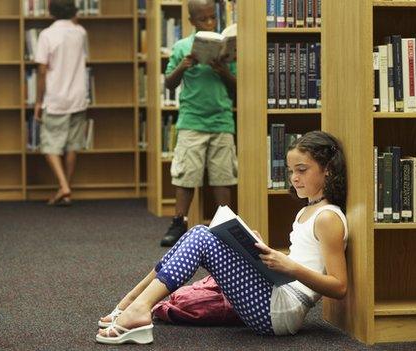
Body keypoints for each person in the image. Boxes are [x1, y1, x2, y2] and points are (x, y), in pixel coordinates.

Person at [96, 130, 349, 344]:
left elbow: (339, 286)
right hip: (278, 293)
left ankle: (138, 307)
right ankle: (132, 302)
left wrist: (288, 266)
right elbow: (305, 262)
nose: (294, 178)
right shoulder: (307, 210)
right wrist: (262, 251)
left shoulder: (328, 217)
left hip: (283, 311)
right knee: (198, 232)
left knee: (201, 238)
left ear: (327, 170)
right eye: (292, 170)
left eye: (302, 170)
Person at [160, 0, 238, 246]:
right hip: (192, 121)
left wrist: (223, 69)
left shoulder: (225, 49)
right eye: (203, 19)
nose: (210, 23)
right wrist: (183, 66)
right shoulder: (182, 47)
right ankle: (178, 222)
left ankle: (225, 225)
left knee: (223, 176)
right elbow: (169, 84)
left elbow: (236, 88)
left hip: (221, 120)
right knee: (187, 176)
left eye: (212, 18)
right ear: (192, 21)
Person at [34, 0, 88, 206]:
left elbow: (41, 71)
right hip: (78, 97)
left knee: (50, 146)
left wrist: (39, 101)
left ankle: (64, 187)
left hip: (56, 98)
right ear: (74, 10)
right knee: (72, 146)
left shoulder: (46, 35)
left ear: (51, 11)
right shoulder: (80, 32)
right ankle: (65, 189)